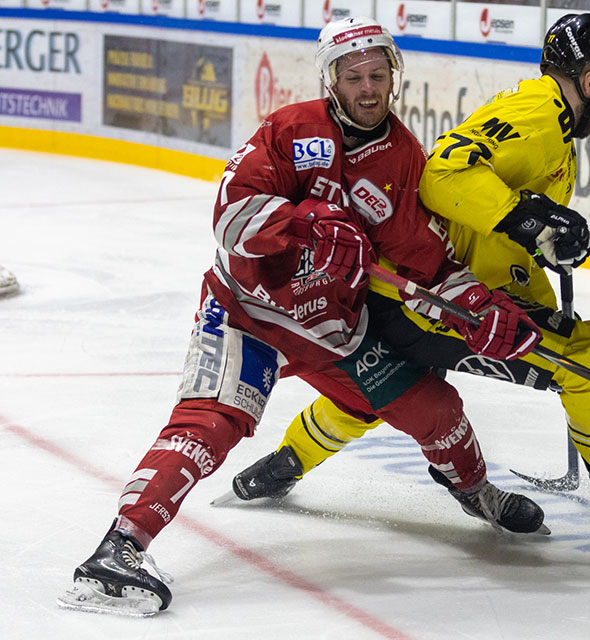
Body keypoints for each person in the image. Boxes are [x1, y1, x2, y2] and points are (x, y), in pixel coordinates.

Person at [58, 17, 547, 617]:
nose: (368, 89)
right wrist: (302, 223)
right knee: (212, 422)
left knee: (436, 408)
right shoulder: (291, 130)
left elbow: (421, 256)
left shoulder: (401, 155)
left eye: (377, 75)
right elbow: (230, 219)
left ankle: (475, 492)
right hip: (249, 314)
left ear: (393, 77)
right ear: (331, 81)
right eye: (354, 77)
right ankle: (120, 548)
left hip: (332, 327)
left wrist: (477, 306)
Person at [234, 14, 590, 549]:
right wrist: (527, 219)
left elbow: (496, 215)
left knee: (389, 384)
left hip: (429, 288)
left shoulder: (546, 117)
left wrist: (545, 236)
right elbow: (444, 175)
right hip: (437, 297)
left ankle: (288, 459)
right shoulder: (541, 116)